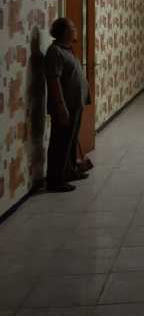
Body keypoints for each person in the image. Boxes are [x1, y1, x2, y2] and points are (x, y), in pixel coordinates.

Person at [45, 17, 91, 192]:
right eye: (72, 27)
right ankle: (55, 181)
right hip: (64, 107)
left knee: (70, 141)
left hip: (75, 105)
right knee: (60, 143)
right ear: (64, 32)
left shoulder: (68, 50)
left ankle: (70, 172)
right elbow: (53, 81)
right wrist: (61, 107)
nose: (75, 29)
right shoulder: (55, 52)